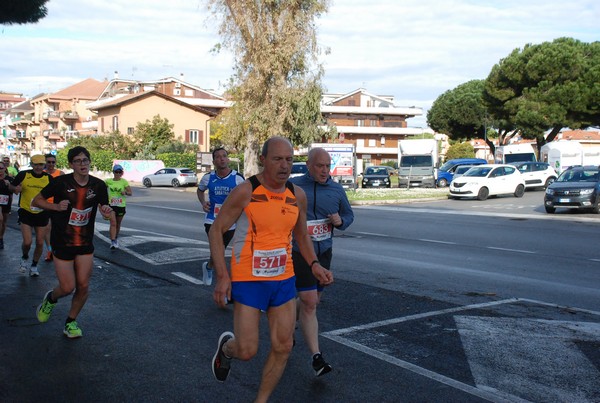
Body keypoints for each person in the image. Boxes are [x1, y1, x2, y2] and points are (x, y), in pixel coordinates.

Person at [209, 136, 333, 403]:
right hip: (248, 279)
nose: (284, 165)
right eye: (277, 159)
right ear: (263, 160)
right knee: (247, 350)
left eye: (289, 159)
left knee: (284, 345)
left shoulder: (296, 195)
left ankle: (261, 400)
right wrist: (222, 276)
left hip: (283, 278)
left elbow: (301, 235)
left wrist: (314, 265)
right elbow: (217, 230)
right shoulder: (246, 191)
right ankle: (227, 350)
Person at [31, 146, 116, 338]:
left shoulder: (98, 185)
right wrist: (55, 206)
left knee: (84, 286)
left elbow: (105, 207)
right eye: (78, 161)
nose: (82, 164)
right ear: (71, 164)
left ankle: (70, 322)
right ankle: (51, 299)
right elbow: (37, 201)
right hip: (62, 240)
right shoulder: (60, 183)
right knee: (68, 287)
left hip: (84, 241)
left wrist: (106, 212)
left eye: (85, 160)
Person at [290, 147, 354, 376]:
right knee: (309, 300)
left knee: (313, 299)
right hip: (299, 252)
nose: (325, 170)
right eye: (320, 166)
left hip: (324, 251)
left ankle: (287, 326)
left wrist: (340, 221)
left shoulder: (336, 190)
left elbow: (349, 215)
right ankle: (317, 357)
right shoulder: (296, 187)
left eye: (328, 166)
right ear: (309, 165)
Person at [196, 147, 244, 285]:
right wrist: (203, 203)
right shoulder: (208, 178)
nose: (221, 158)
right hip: (212, 219)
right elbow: (200, 191)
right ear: (214, 161)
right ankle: (223, 284)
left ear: (228, 159)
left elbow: (246, 196)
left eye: (224, 156)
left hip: (230, 221)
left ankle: (209, 267)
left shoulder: (237, 178)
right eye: (218, 156)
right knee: (220, 250)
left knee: (218, 252)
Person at [11, 154, 53, 276]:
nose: (38, 167)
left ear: (43, 165)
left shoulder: (48, 178)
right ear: (32, 164)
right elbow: (11, 186)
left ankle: (34, 266)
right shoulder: (24, 175)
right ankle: (24, 257)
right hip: (26, 212)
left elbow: (57, 192)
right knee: (28, 242)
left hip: (42, 213)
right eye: (36, 164)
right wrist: (15, 189)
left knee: (40, 242)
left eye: (41, 164)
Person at [42, 153, 65, 261]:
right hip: (45, 205)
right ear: (45, 163)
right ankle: (50, 250)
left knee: (58, 228)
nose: (51, 164)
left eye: (53, 162)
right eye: (48, 162)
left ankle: (58, 249)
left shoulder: (60, 174)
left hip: (57, 205)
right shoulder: (41, 174)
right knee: (47, 228)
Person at [105, 164, 132, 249]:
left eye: (119, 172)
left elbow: (130, 193)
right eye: (116, 172)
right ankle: (113, 241)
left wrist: (125, 193)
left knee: (118, 223)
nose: (118, 173)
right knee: (113, 223)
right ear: (113, 172)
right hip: (111, 205)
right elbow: (101, 189)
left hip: (121, 205)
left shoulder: (124, 182)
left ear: (122, 173)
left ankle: (115, 237)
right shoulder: (108, 181)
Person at [0, 160, 15, 250]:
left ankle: (1, 238)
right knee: (0, 219)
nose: (0, 170)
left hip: (6, 202)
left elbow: (15, 191)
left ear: (5, 169)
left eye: (1, 168)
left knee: (4, 221)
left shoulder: (9, 179)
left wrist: (9, 185)